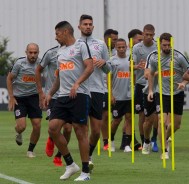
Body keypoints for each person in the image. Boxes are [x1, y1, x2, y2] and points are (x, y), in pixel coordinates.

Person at [46, 21, 93, 181]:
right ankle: (71, 164)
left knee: (80, 131)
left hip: (80, 95)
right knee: (52, 128)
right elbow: (59, 77)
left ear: (66, 32)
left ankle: (85, 172)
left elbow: (90, 67)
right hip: (62, 96)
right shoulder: (60, 51)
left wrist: (77, 83)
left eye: (57, 33)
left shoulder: (81, 46)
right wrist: (51, 93)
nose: (56, 37)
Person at [147, 33, 189, 159]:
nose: (166, 47)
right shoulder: (155, 58)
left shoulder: (179, 56)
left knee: (176, 125)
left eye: (168, 45)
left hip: (177, 93)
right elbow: (150, 73)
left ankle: (165, 137)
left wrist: (184, 82)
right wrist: (150, 90)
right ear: (160, 44)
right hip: (161, 93)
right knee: (161, 121)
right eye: (164, 45)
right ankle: (164, 150)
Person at [77, 14, 111, 172]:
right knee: (82, 129)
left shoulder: (100, 44)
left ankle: (88, 154)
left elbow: (109, 68)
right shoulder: (75, 45)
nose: (88, 26)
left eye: (90, 24)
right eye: (85, 24)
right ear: (79, 27)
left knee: (96, 130)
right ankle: (84, 163)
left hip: (98, 90)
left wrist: (104, 63)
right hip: (81, 91)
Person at [35, 45, 72, 166]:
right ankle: (51, 138)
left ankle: (59, 155)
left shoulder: (75, 51)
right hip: (53, 97)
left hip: (67, 95)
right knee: (54, 127)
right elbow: (38, 70)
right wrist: (41, 93)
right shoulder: (50, 53)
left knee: (67, 129)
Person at [6, 43, 42, 158]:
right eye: (30, 52)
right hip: (19, 98)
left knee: (37, 125)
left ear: (38, 53)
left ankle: (30, 150)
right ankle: (18, 132)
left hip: (34, 97)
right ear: (26, 52)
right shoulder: (19, 63)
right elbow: (9, 78)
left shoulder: (41, 63)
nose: (33, 55)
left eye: (35, 52)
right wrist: (11, 97)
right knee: (22, 126)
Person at [132, 24, 157, 149]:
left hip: (156, 85)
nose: (148, 37)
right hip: (141, 85)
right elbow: (130, 65)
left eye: (151, 35)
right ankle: (144, 142)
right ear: (143, 33)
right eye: (146, 34)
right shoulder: (137, 48)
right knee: (142, 115)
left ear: (154, 35)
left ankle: (154, 140)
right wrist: (136, 66)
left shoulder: (158, 46)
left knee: (157, 115)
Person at [119, 28, 144, 151]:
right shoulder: (127, 54)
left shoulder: (139, 52)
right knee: (127, 116)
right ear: (131, 40)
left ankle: (128, 142)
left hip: (136, 88)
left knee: (130, 116)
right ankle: (128, 141)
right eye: (139, 40)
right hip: (126, 90)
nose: (141, 42)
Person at [108, 38, 133, 152]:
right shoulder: (112, 61)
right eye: (119, 47)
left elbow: (135, 75)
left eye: (123, 47)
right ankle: (111, 140)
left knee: (129, 118)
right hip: (117, 96)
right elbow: (109, 79)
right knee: (117, 120)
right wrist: (111, 95)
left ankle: (127, 144)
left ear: (126, 47)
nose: (122, 49)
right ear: (116, 48)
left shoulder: (131, 60)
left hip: (129, 95)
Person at [101, 28, 119, 151]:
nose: (116, 42)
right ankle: (105, 141)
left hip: (116, 88)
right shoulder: (100, 50)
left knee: (120, 116)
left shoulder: (118, 52)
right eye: (114, 40)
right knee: (105, 115)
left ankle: (126, 140)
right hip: (101, 87)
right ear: (107, 39)